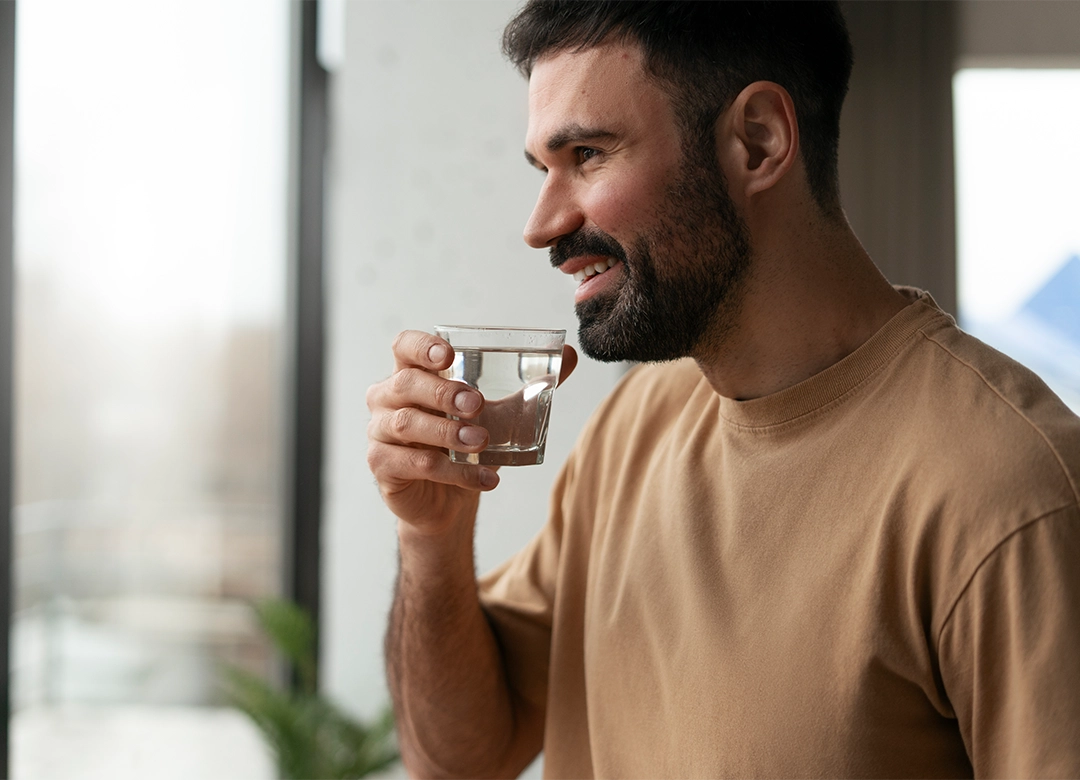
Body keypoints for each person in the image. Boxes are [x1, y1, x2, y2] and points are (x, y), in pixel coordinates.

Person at [366, 1, 1080, 777]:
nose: (541, 224)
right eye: (544, 168)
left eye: (588, 154)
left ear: (759, 140)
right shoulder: (632, 428)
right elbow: (459, 758)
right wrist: (432, 538)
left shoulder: (1010, 490)